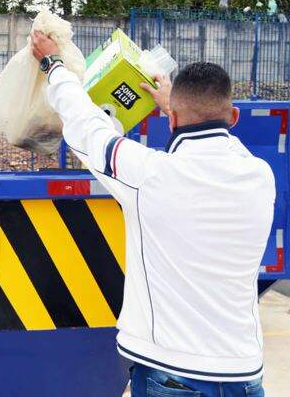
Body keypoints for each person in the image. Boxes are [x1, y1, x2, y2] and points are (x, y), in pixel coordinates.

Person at [31, 31, 274, 397]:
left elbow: (87, 126)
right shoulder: (260, 177)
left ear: (172, 118)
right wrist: (174, 109)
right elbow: (215, 143)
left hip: (173, 376)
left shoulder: (150, 176)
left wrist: (54, 66)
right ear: (234, 116)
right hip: (244, 374)